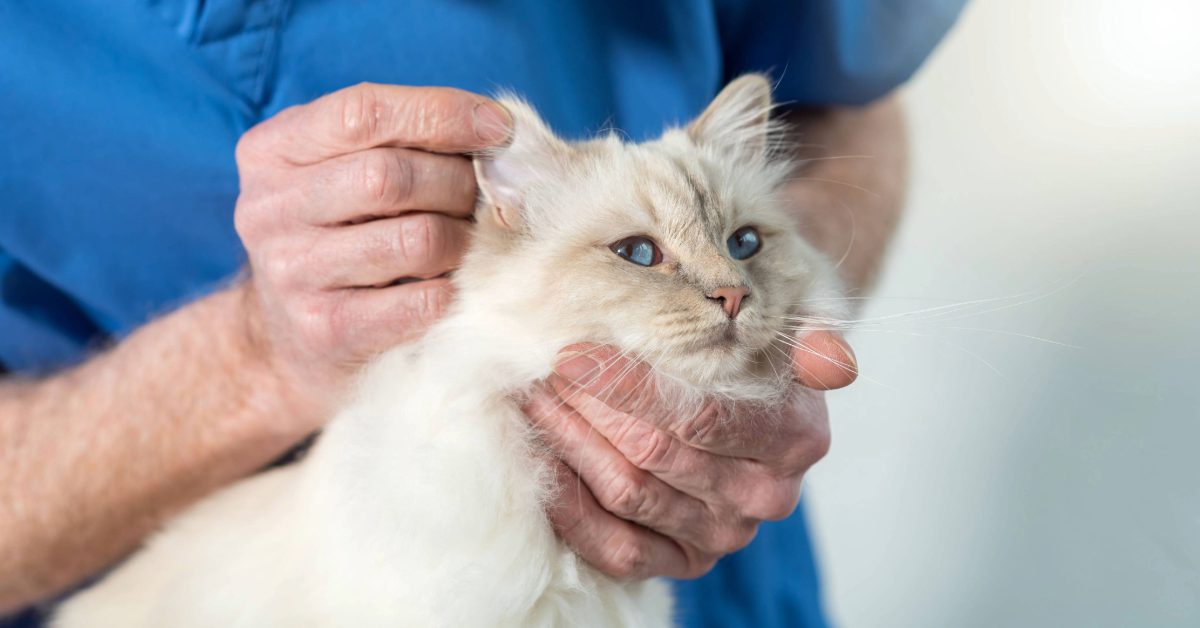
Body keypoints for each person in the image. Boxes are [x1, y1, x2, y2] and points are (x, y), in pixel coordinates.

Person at [0, 1, 964, 626]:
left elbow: (847, 96)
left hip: (728, 569)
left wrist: (793, 334)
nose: (723, 289)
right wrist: (253, 357)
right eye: (643, 254)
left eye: (738, 255)